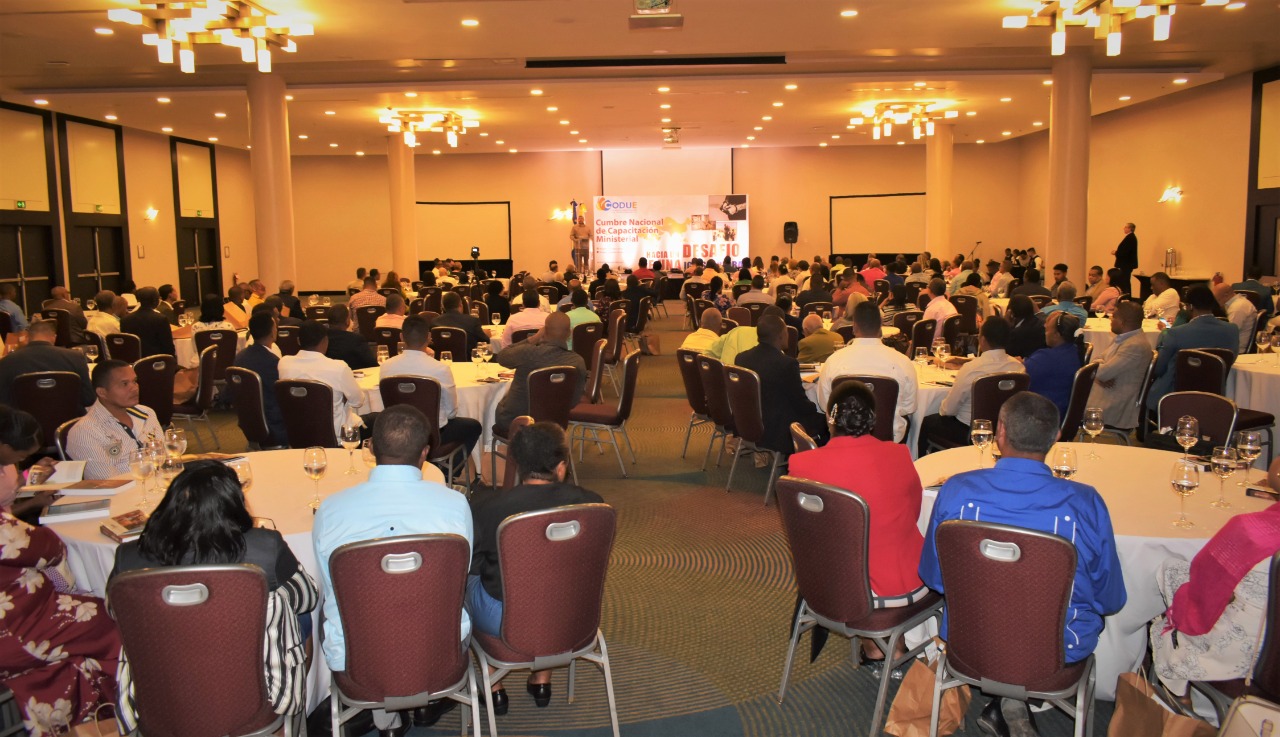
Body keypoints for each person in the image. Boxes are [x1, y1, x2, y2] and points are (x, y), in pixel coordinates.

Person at [919, 391, 1126, 736]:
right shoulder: (1086, 503)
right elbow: (1110, 600)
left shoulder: (956, 490)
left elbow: (934, 578)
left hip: (970, 643)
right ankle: (1011, 703)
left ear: (1000, 432)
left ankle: (1006, 702)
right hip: (1056, 654)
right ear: (1056, 437)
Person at [109, 460, 316, 731]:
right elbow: (307, 597)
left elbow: (114, 611)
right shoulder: (265, 546)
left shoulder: (128, 556)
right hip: (249, 699)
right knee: (302, 618)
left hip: (165, 694)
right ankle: (291, 717)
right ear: (235, 504)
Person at [314, 406, 473, 735]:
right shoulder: (455, 504)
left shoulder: (330, 509)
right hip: (439, 656)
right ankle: (427, 701)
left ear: (371, 448)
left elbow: (332, 589)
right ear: (425, 453)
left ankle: (385, 719)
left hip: (359, 665)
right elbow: (457, 579)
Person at [466, 422, 603, 714]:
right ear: (561, 467)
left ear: (517, 464)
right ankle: (542, 680)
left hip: (505, 619)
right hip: (575, 614)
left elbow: (475, 566)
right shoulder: (594, 505)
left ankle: (493, 683)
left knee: (461, 577)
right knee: (557, 575)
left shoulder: (487, 508)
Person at [1, 407, 121, 735]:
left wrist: (30, 490)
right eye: (17, 458)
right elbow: (44, 548)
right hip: (15, 625)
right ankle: (112, 710)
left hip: (16, 602)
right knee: (115, 620)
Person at [789, 381, 927, 611]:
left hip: (832, 585)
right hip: (902, 584)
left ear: (829, 418)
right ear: (873, 419)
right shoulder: (899, 454)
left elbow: (805, 531)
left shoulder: (801, 464)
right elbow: (915, 513)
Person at [1150, 459, 1280, 697]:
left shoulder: (1250, 531)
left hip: (1244, 662)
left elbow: (1202, 589)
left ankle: (1179, 693)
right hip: (1273, 662)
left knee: (1170, 568)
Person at [378, 315, 483, 459]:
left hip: (396, 431)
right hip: (432, 434)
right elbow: (451, 412)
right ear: (428, 338)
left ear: (401, 337)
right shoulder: (440, 369)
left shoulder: (386, 367)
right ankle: (446, 470)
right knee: (474, 426)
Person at [918, 317, 1025, 456]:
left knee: (925, 421)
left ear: (983, 340)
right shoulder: (1018, 368)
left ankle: (923, 464)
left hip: (969, 430)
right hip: (1004, 430)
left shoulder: (972, 368)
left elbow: (948, 410)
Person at [815, 301, 918, 443]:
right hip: (890, 439)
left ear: (854, 327)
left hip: (843, 439)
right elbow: (909, 407)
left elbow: (825, 405)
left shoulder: (833, 361)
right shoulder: (903, 362)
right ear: (881, 328)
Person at [735, 315, 828, 454]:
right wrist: (818, 409)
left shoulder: (741, 358)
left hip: (749, 424)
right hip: (778, 431)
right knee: (826, 422)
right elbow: (801, 405)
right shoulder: (787, 364)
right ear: (781, 336)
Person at [66, 360, 165, 479]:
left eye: (134, 381)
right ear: (102, 392)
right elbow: (108, 483)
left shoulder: (147, 413)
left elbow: (165, 458)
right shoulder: (85, 432)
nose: (134, 388)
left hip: (159, 484)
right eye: (124, 384)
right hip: (126, 490)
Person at [1147, 284, 1241, 409]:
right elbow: (1230, 359)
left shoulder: (1176, 333)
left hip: (1175, 395)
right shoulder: (1232, 330)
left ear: (1189, 307)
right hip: (1215, 394)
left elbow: (1158, 369)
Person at [493, 312, 586, 434]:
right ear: (569, 333)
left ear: (544, 331)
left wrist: (533, 338)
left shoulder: (528, 353)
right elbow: (573, 401)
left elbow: (502, 357)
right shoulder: (577, 361)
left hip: (516, 421)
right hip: (554, 423)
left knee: (497, 399)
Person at [278, 320, 367, 439]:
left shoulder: (284, 363)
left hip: (298, 433)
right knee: (376, 419)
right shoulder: (338, 367)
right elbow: (358, 401)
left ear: (298, 341)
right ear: (325, 341)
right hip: (337, 435)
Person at [1087, 302, 1153, 431]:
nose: (1110, 320)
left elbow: (1102, 373)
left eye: (1113, 317)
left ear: (1122, 322)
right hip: (1105, 393)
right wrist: (1099, 373)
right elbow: (1098, 360)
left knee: (1064, 400)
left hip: (1112, 403)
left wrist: (1099, 373)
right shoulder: (1125, 338)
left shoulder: (1135, 345)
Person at [0, 319, 94, 406]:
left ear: (27, 338)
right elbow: (88, 398)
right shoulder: (76, 357)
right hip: (70, 416)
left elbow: (3, 401)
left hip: (23, 417)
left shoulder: (7, 361)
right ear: (54, 337)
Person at [231, 312, 288, 447]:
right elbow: (281, 396)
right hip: (273, 426)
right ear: (272, 333)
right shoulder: (271, 362)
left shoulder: (240, 357)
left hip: (249, 422)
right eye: (275, 327)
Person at [1024, 311, 1083, 418]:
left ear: (1056, 335)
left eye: (1047, 330)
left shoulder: (1046, 357)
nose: (1045, 333)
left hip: (1043, 415)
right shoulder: (1075, 351)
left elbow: (1021, 378)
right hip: (1062, 410)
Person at [119, 286, 176, 359]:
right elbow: (168, 346)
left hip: (133, 360)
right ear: (155, 301)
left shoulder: (125, 320)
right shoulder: (160, 319)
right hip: (156, 361)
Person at [323, 305, 376, 370]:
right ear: (347, 321)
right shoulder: (356, 339)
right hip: (353, 374)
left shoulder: (321, 338)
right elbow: (372, 364)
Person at [1214, 282, 1258, 354]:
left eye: (1218, 300)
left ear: (1226, 295)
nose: (1218, 304)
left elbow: (1229, 334)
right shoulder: (1240, 302)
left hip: (1236, 351)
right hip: (1234, 346)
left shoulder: (1237, 308)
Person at [922, 278, 958, 342]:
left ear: (929, 290)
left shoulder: (932, 309)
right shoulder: (950, 305)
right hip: (950, 343)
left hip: (933, 344)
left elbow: (925, 332)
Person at [1112, 222, 1138, 295]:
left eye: (1126, 227)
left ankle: (1126, 296)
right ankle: (1126, 296)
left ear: (1130, 229)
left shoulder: (1130, 238)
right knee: (1125, 281)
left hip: (1126, 264)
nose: (1124, 228)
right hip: (1126, 264)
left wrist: (1116, 252)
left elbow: (1125, 252)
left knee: (1125, 282)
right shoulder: (1131, 237)